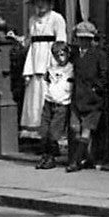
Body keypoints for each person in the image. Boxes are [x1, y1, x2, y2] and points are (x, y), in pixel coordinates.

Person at [11, 0, 66, 140]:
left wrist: (57, 64)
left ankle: (49, 133)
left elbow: (61, 42)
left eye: (43, 1)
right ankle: (35, 131)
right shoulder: (32, 20)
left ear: (49, 2)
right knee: (34, 94)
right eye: (37, 2)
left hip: (49, 58)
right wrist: (16, 39)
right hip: (34, 60)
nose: (40, 5)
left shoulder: (57, 19)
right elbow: (30, 41)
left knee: (48, 94)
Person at [67, 20, 109, 173]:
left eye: (87, 39)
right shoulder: (74, 55)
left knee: (87, 129)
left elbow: (105, 75)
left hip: (93, 99)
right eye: (81, 38)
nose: (84, 42)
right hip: (77, 96)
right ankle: (86, 158)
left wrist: (96, 88)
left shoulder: (99, 55)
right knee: (75, 128)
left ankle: (76, 161)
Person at [37, 42, 73, 170]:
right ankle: (45, 156)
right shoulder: (51, 69)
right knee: (44, 131)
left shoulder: (71, 69)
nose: (60, 58)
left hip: (62, 104)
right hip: (49, 102)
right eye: (57, 55)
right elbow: (46, 82)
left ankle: (51, 157)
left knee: (54, 132)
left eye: (62, 55)